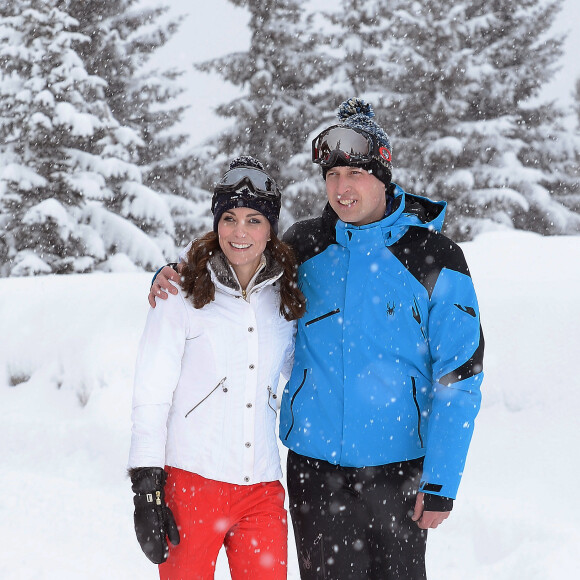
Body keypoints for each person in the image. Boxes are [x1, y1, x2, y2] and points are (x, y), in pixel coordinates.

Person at [150, 97, 484, 580]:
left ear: (384, 175)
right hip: (314, 471)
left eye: (355, 174)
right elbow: (240, 258)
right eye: (331, 176)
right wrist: (177, 272)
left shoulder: (434, 257)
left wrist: (441, 481)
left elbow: (460, 375)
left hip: (399, 472)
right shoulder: (305, 246)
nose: (341, 188)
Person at [129, 155, 306, 580]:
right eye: (229, 218)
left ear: (270, 229)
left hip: (262, 489)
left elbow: (299, 371)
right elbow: (151, 393)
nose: (239, 232)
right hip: (192, 485)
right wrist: (147, 487)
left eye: (253, 220)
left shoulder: (284, 297)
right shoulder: (180, 291)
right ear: (216, 224)